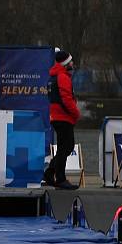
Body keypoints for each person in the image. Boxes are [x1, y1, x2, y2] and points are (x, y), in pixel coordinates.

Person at [43, 49, 80, 190]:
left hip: (56, 117)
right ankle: (60, 178)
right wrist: (76, 114)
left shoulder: (53, 77)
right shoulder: (63, 77)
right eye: (71, 62)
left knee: (67, 146)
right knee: (66, 146)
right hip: (64, 118)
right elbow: (67, 99)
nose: (73, 64)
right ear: (65, 64)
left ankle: (51, 172)